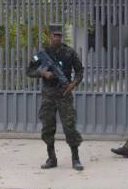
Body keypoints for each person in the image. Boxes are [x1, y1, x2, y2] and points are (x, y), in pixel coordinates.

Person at [27, 24, 85, 171]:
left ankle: (75, 158)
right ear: (50, 36)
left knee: (70, 126)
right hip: (48, 94)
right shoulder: (42, 54)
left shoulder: (69, 53)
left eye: (60, 36)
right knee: (47, 127)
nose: (57, 38)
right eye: (55, 36)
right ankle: (51, 158)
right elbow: (29, 70)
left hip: (64, 94)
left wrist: (74, 84)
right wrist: (43, 73)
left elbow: (80, 70)